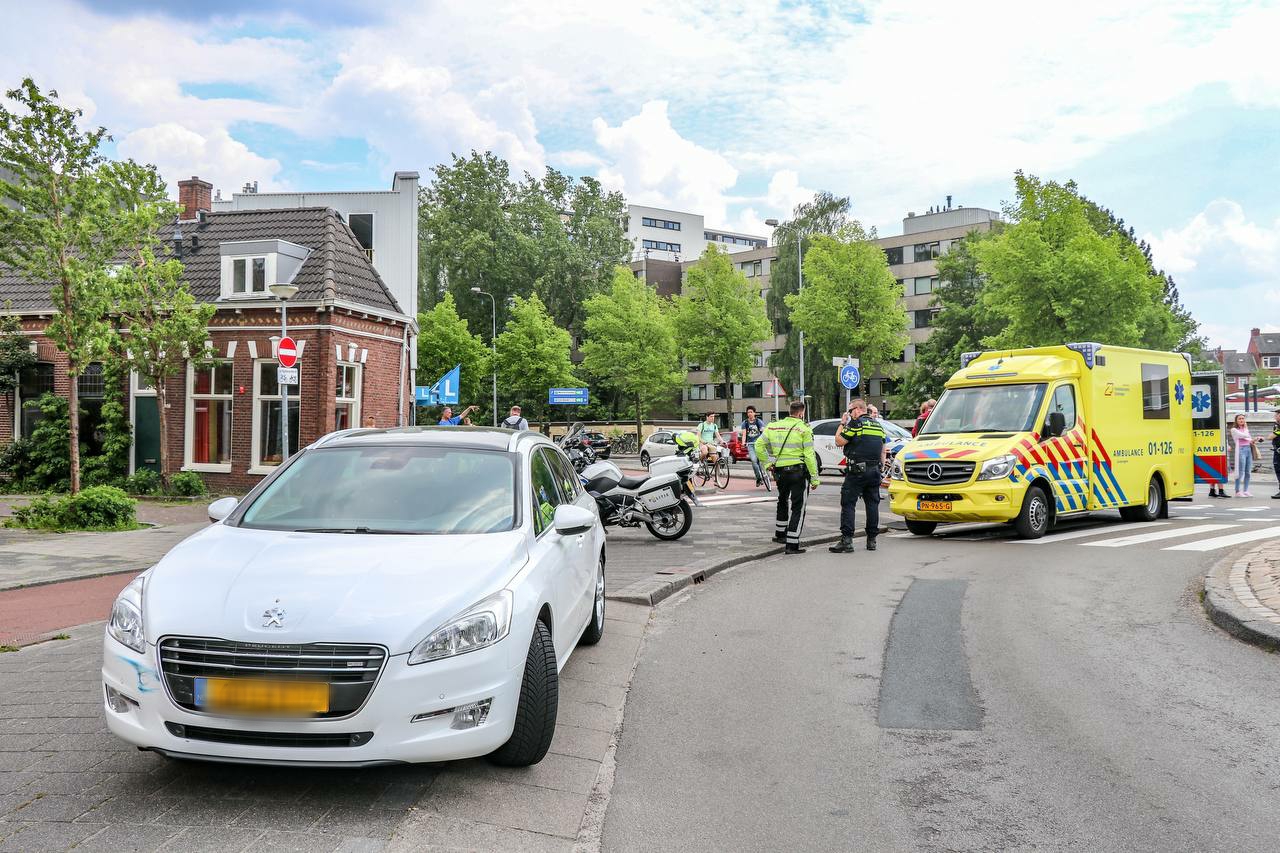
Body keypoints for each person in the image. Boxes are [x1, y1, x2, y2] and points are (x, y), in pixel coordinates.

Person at [755, 399, 820, 555]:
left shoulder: (773, 426)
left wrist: (766, 464)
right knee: (798, 506)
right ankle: (792, 544)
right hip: (798, 473)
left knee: (782, 500)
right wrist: (815, 477)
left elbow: (758, 446)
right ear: (801, 413)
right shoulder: (804, 429)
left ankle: (780, 534)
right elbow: (809, 455)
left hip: (780, 473)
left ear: (790, 411)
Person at [829, 398, 887, 553]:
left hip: (857, 470)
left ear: (857, 409)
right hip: (875, 470)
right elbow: (883, 450)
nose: (849, 414)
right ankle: (872, 541)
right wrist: (880, 469)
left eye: (850, 411)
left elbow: (839, 441)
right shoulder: (878, 426)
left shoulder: (855, 424)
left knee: (848, 503)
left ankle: (847, 540)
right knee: (872, 504)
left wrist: (842, 423)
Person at [1230, 413, 1261, 497]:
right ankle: (1237, 491)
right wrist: (1246, 429)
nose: (1241, 420)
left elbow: (1249, 440)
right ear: (1236, 420)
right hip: (1241, 450)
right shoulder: (1234, 429)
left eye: (1243, 418)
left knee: (1248, 472)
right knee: (1240, 472)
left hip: (1248, 449)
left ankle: (1246, 490)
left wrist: (1256, 439)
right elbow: (1244, 435)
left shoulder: (1245, 429)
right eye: (1239, 419)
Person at [739, 406, 768, 486]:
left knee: (765, 459)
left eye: (751, 412)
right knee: (754, 461)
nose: (750, 414)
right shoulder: (745, 423)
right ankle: (758, 478)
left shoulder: (758, 421)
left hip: (759, 444)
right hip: (750, 445)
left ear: (754, 413)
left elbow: (763, 431)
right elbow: (744, 434)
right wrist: (743, 443)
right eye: (748, 412)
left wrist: (764, 440)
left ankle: (768, 472)